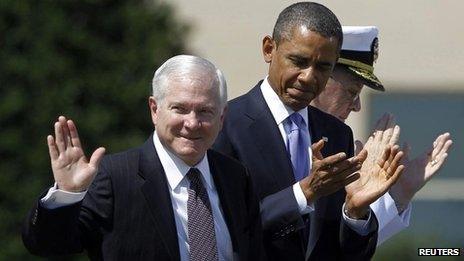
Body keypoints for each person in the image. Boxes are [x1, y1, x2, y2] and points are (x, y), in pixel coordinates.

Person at [22, 55, 263, 260]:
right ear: (155, 110)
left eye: (205, 111)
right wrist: (67, 195)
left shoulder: (235, 175)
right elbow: (47, 245)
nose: (192, 123)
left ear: (221, 117)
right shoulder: (114, 177)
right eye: (179, 109)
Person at [213, 2, 404, 260]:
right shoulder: (225, 125)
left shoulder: (337, 134)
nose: (308, 77)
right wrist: (304, 193)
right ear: (269, 49)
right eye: (298, 61)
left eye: (323, 67)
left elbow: (344, 253)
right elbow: (223, 231)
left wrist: (355, 213)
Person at [310, 26, 453, 245]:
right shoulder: (269, 132)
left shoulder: (335, 145)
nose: (356, 106)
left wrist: (397, 195)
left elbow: (339, 248)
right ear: (320, 78)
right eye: (352, 91)